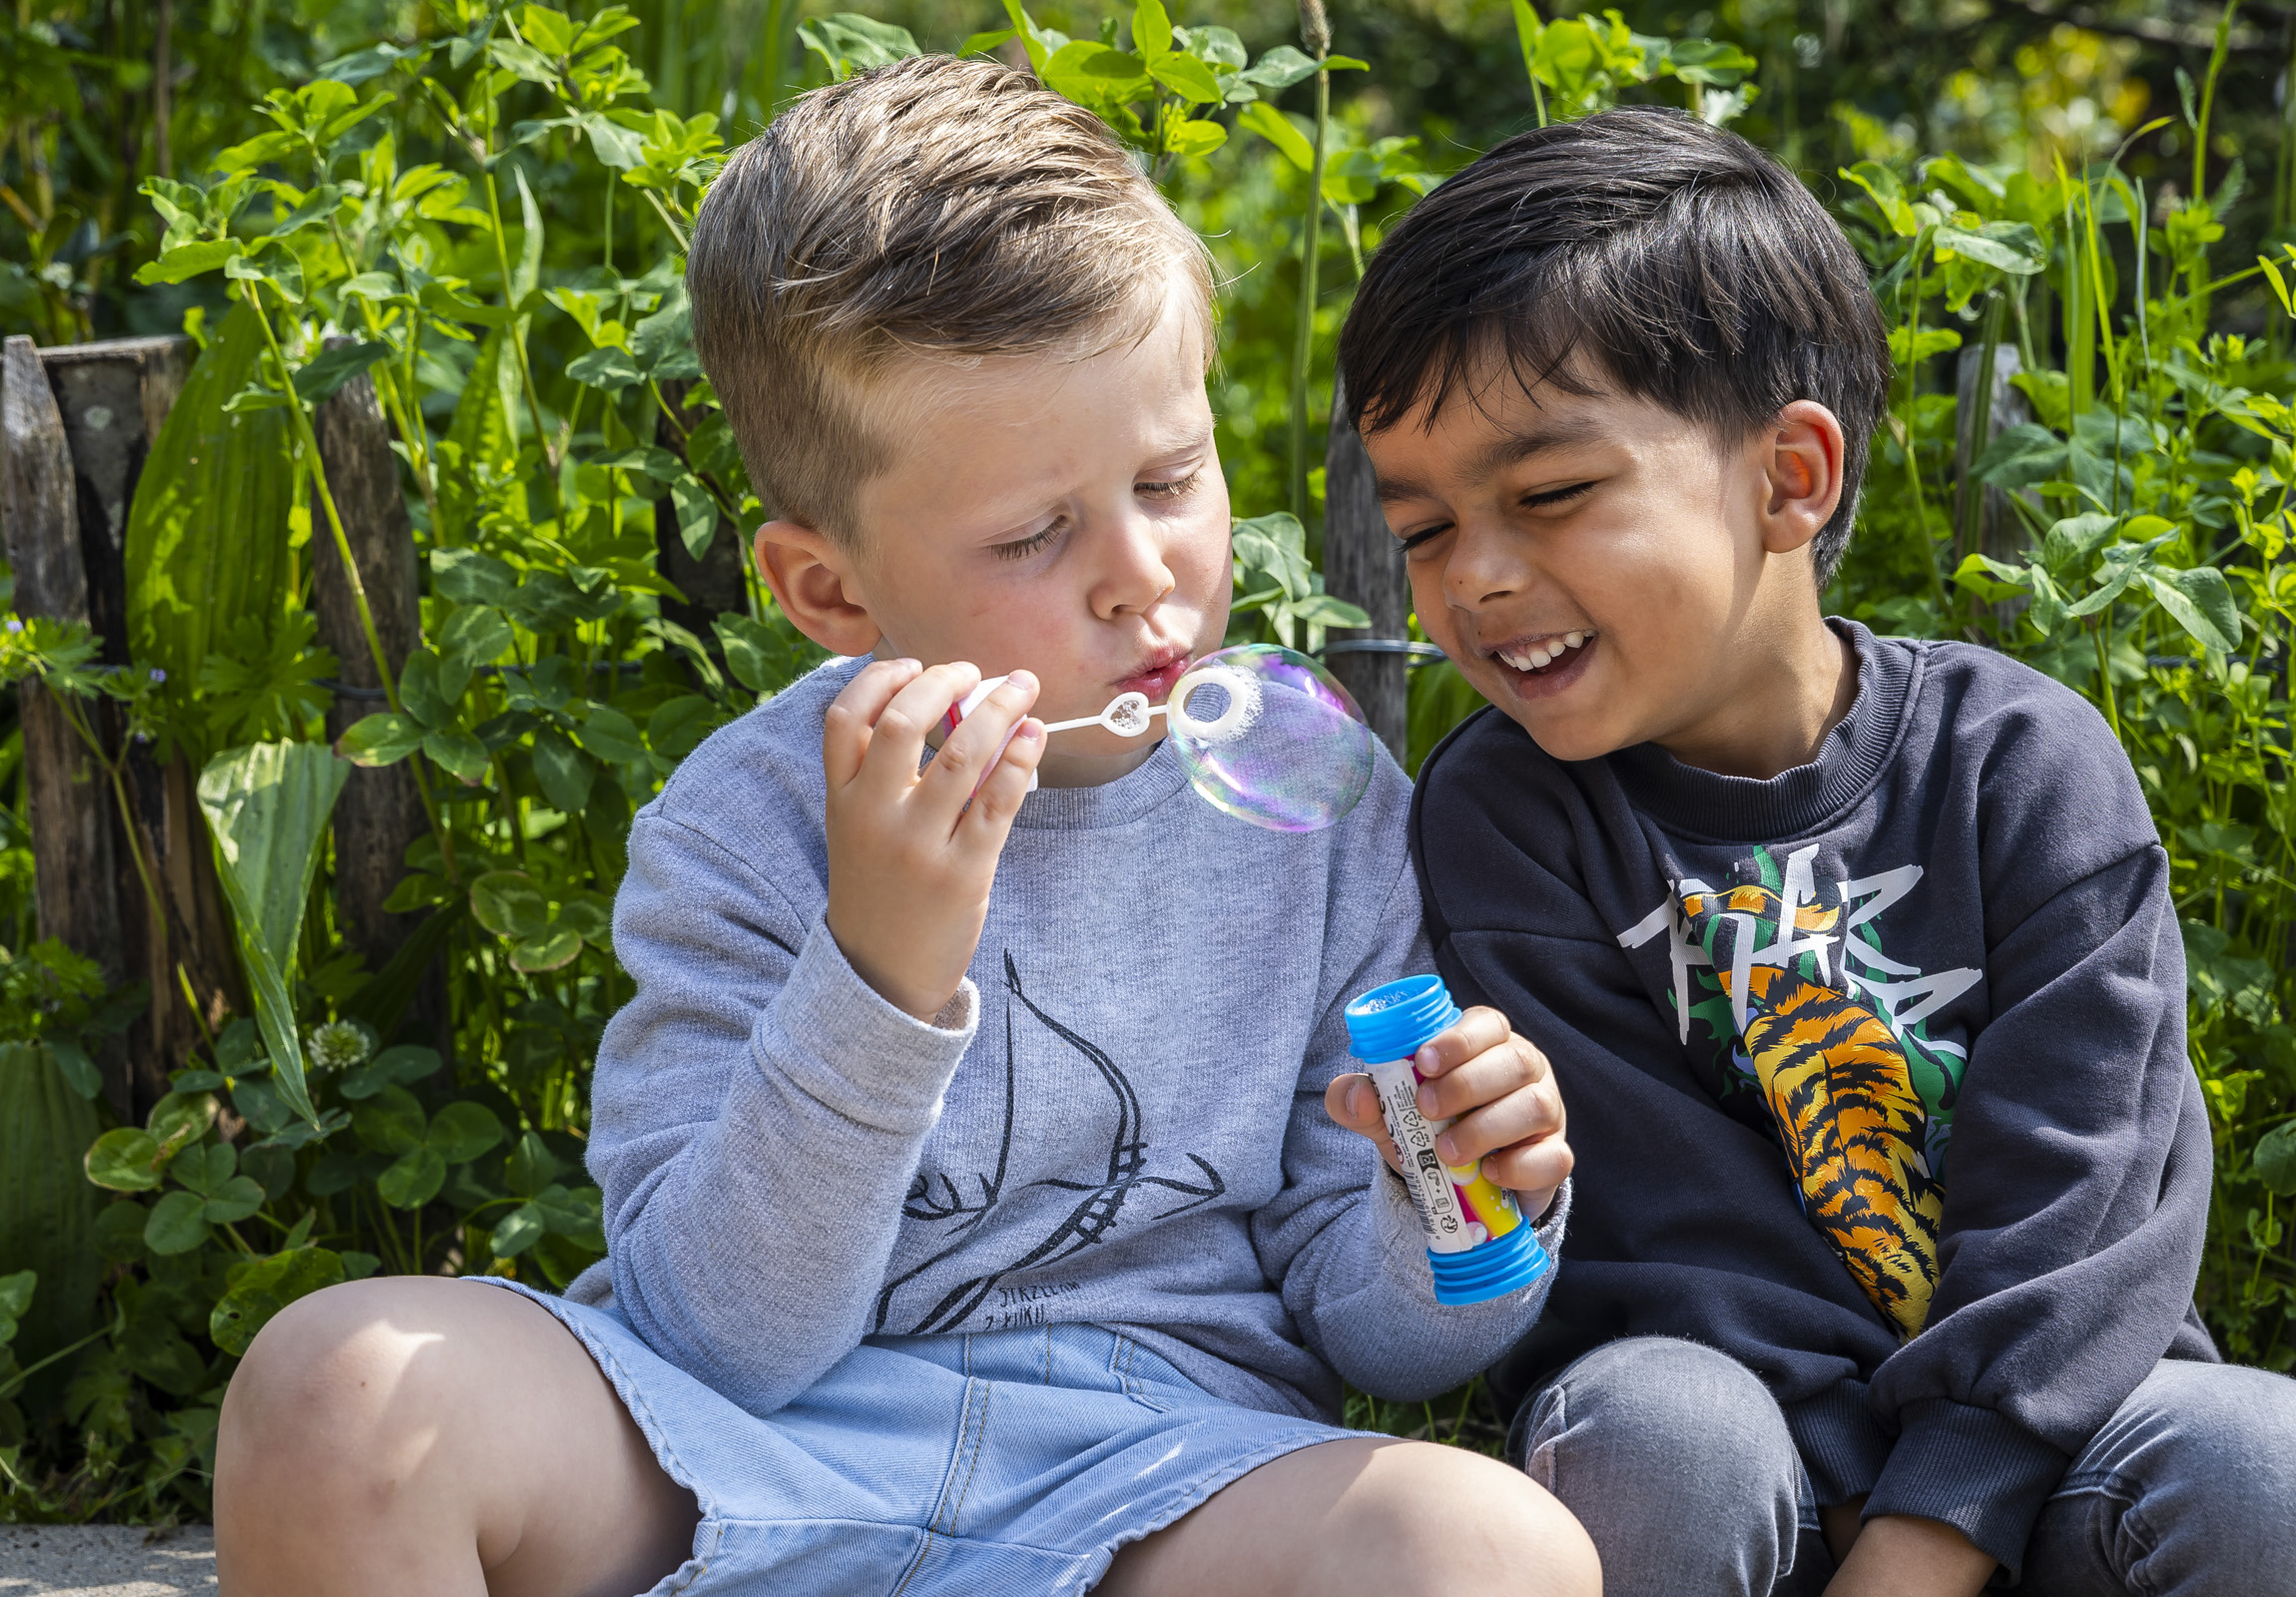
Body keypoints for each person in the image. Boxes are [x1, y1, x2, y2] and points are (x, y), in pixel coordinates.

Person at [211, 55, 1598, 1597]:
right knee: (341, 1388)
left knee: (1490, 1551)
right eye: (1033, 532)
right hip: (747, 1450)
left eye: (1170, 476)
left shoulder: (1317, 814)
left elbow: (1383, 1343)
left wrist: (1457, 1195)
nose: (1142, 573)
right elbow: (717, 1331)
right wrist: (879, 972)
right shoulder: (747, 823)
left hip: (1160, 1474)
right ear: (831, 591)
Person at [1337, 105, 2296, 1597]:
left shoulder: (2023, 767)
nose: (1481, 578)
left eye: (1550, 495)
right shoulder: (1507, 818)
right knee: (1657, 1434)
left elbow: (2088, 1202)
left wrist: (1932, 1528)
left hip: (2061, 1434)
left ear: (1791, 478)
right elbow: (1664, 1238)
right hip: (1745, 1456)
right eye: (1428, 528)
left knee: (2287, 1475)